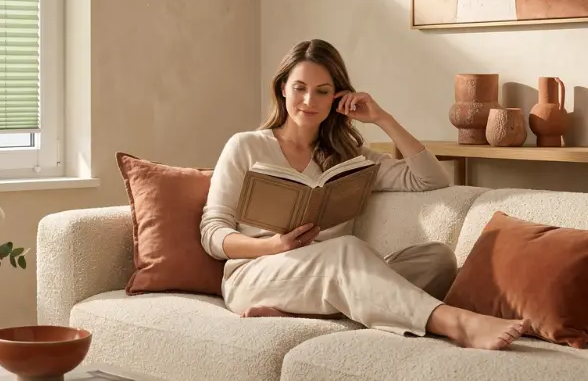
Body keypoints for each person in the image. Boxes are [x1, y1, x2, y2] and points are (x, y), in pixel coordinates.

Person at [200, 39, 529, 350]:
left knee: (438, 259)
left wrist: (382, 119)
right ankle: (458, 323)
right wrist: (272, 245)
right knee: (346, 251)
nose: (309, 101)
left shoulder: (348, 154)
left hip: (329, 273)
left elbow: (431, 179)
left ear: (337, 97)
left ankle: (313, 310)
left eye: (322, 91)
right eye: (299, 88)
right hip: (255, 275)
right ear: (282, 87)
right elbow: (212, 233)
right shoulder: (246, 146)